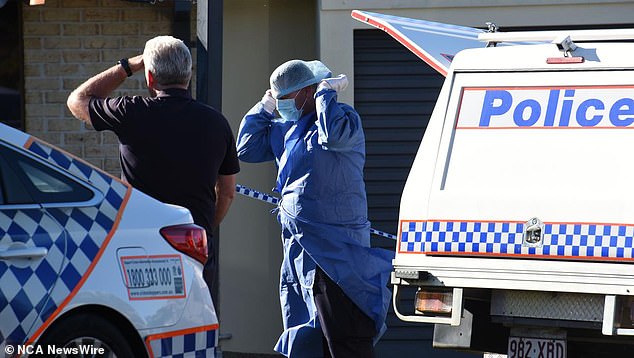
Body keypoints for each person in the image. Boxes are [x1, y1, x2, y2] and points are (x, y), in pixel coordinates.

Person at [237, 59, 393, 357]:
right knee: (305, 338)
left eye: (286, 97)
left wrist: (325, 95)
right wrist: (265, 106)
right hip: (299, 252)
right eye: (278, 97)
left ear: (307, 91)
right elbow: (246, 147)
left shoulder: (342, 118)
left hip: (337, 252)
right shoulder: (286, 127)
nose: (283, 104)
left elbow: (332, 136)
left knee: (343, 338)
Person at [66, 35, 240, 301]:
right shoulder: (217, 122)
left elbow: (78, 100)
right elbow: (227, 191)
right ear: (189, 75)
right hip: (194, 240)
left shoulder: (131, 112)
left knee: (144, 322)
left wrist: (129, 65)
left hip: (141, 241)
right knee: (196, 320)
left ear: (149, 78)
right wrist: (205, 227)